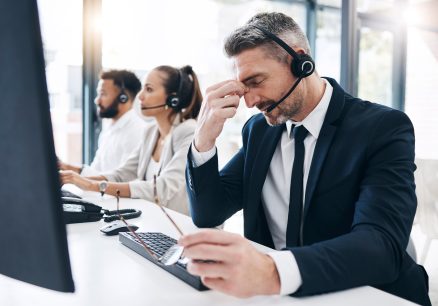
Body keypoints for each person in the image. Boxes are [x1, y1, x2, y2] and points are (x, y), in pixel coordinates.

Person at [180, 12, 431, 305]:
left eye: (256, 81)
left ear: (301, 62)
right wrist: (203, 140)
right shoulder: (259, 130)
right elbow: (209, 213)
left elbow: (381, 246)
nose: (249, 102)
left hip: (368, 294)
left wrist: (273, 271)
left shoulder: (382, 128)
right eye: (244, 88)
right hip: (283, 296)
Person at [60, 65, 202, 215]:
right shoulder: (151, 132)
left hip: (184, 227)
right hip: (157, 221)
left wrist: (90, 185)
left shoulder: (189, 132)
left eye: (149, 89)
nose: (140, 96)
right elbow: (121, 175)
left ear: (173, 99)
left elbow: (161, 189)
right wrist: (73, 179)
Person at [58, 69, 145, 176]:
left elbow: (123, 181)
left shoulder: (136, 131)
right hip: (99, 192)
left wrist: (68, 168)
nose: (97, 100)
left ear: (123, 98)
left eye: (102, 94)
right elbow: (95, 173)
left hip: (112, 192)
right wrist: (66, 168)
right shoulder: (110, 129)